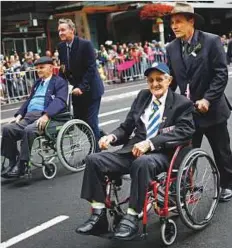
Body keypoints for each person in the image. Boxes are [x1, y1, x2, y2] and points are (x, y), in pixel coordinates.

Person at [75, 62, 195, 240]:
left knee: (142, 163)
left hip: (162, 154)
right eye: (151, 80)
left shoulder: (182, 103)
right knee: (94, 159)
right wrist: (112, 137)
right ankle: (98, 214)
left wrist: (150, 143)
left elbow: (184, 131)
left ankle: (132, 215)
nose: (155, 84)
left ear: (169, 80)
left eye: (159, 79)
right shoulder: (143, 96)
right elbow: (127, 127)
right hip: (133, 150)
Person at [166, 2, 232, 202]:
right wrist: (163, 102)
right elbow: (173, 79)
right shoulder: (171, 48)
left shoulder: (211, 41)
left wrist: (208, 99)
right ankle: (185, 188)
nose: (174, 26)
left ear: (191, 21)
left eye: (178, 22)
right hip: (188, 112)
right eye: (172, 23)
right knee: (184, 153)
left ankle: (227, 184)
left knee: (221, 152)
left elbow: (221, 74)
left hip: (211, 108)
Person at [1, 56, 68, 178]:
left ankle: (22, 165)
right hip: (29, 116)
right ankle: (12, 161)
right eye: (37, 68)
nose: (38, 71)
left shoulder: (59, 82)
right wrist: (19, 115)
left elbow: (60, 101)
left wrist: (47, 115)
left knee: (29, 130)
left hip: (47, 116)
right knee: (7, 129)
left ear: (51, 67)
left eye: (41, 68)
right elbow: (29, 100)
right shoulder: (37, 83)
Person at [57, 18, 104, 150]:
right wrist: (58, 86)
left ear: (72, 30)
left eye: (63, 30)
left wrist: (81, 87)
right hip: (75, 91)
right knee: (78, 122)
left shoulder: (85, 44)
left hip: (90, 90)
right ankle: (99, 136)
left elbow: (91, 68)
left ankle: (96, 153)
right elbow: (63, 68)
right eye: (59, 30)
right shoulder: (61, 47)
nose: (60, 33)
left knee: (91, 121)